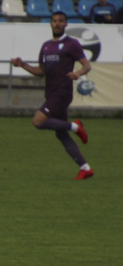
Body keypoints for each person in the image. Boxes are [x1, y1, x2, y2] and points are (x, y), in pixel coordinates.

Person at [11, 12, 94, 180]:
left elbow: (87, 65)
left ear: (65, 24)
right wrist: (23, 65)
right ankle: (85, 167)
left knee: (38, 121)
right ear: (50, 24)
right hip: (50, 92)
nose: (57, 24)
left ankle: (75, 126)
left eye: (60, 21)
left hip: (62, 92)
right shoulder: (46, 46)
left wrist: (78, 73)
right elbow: (41, 71)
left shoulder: (71, 44)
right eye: (54, 21)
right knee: (60, 133)